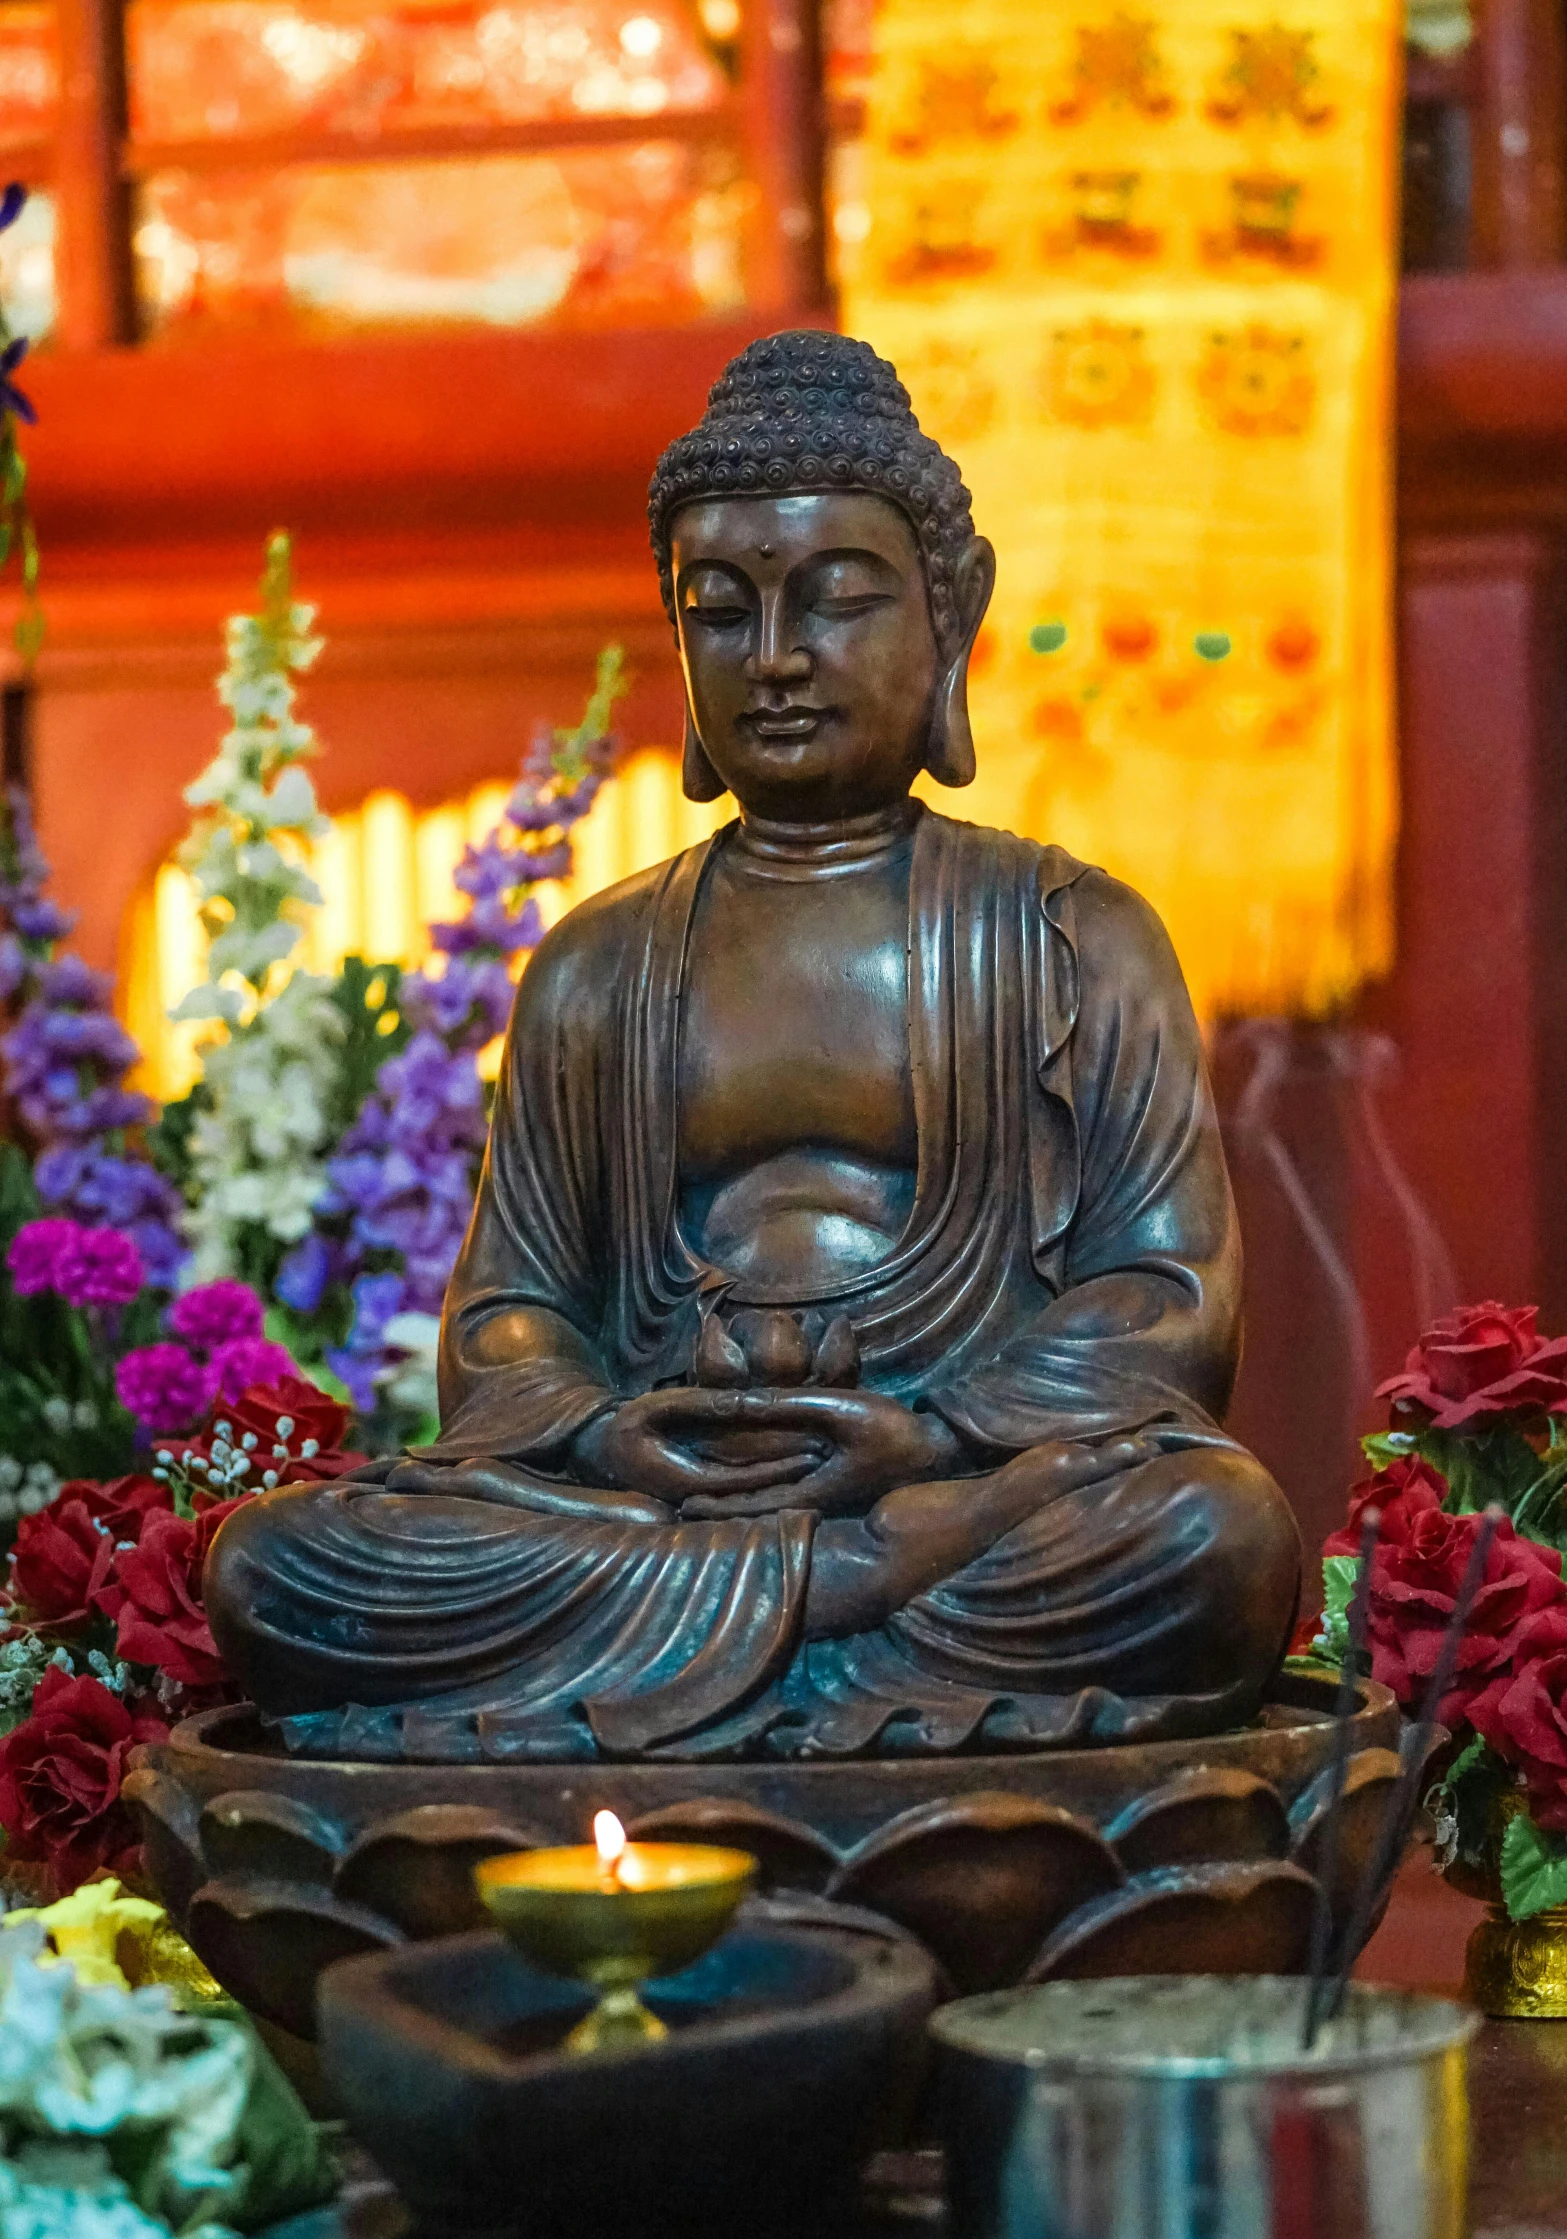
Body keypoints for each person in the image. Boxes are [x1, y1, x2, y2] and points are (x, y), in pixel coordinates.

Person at [205, 329, 1300, 1762]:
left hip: (957, 1496)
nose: (775, 659)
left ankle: (728, 1664)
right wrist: (602, 1433)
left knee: (1212, 1539)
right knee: (279, 1567)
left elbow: (1167, 1299)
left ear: (948, 618)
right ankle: (829, 1630)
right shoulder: (600, 964)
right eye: (719, 611)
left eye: (839, 602)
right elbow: (508, 1319)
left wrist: (936, 1433)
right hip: (660, 1501)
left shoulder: (1072, 937)